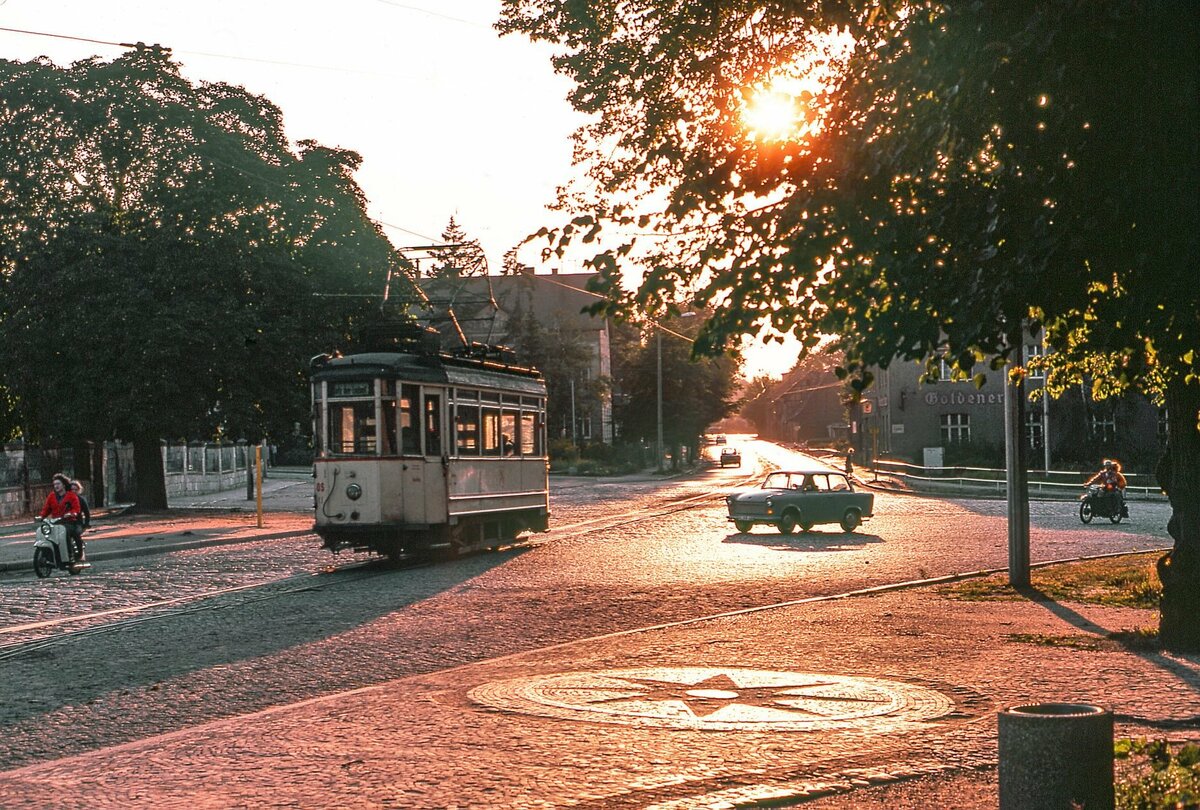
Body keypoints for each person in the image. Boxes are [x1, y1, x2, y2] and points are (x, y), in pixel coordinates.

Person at [37, 473, 83, 561]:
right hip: (56, 522)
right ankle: (50, 555)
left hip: (69, 522)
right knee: (46, 533)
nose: (56, 486)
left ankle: (70, 554)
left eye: (58, 484)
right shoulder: (51, 496)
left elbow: (76, 509)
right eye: (54, 484)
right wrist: (41, 516)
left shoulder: (71, 496)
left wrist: (71, 513)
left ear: (64, 485)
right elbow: (46, 508)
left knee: (65, 532)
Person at [71, 480, 92, 560]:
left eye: (75, 489)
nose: (73, 491)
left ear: (79, 490)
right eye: (72, 489)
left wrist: (86, 524)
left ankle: (80, 553)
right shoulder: (66, 499)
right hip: (67, 522)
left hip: (77, 523)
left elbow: (87, 513)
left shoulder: (81, 500)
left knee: (76, 534)